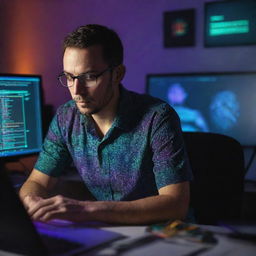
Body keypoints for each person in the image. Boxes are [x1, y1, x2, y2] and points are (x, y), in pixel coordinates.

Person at [19, 24, 193, 224]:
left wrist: (84, 209)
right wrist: (31, 201)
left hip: (163, 234)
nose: (77, 91)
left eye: (89, 77)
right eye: (69, 77)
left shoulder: (157, 117)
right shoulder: (66, 117)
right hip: (110, 232)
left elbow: (176, 205)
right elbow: (36, 181)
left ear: (117, 74)